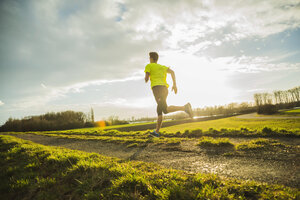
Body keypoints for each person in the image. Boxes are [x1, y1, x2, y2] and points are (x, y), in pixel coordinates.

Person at [144, 52, 193, 137]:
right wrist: (174, 84)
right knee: (163, 110)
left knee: (162, 110)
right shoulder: (162, 67)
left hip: (157, 90)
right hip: (164, 89)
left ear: (151, 58)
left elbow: (146, 79)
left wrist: (147, 77)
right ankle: (156, 132)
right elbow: (172, 72)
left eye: (149, 57)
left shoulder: (149, 66)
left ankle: (185, 107)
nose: (149, 59)